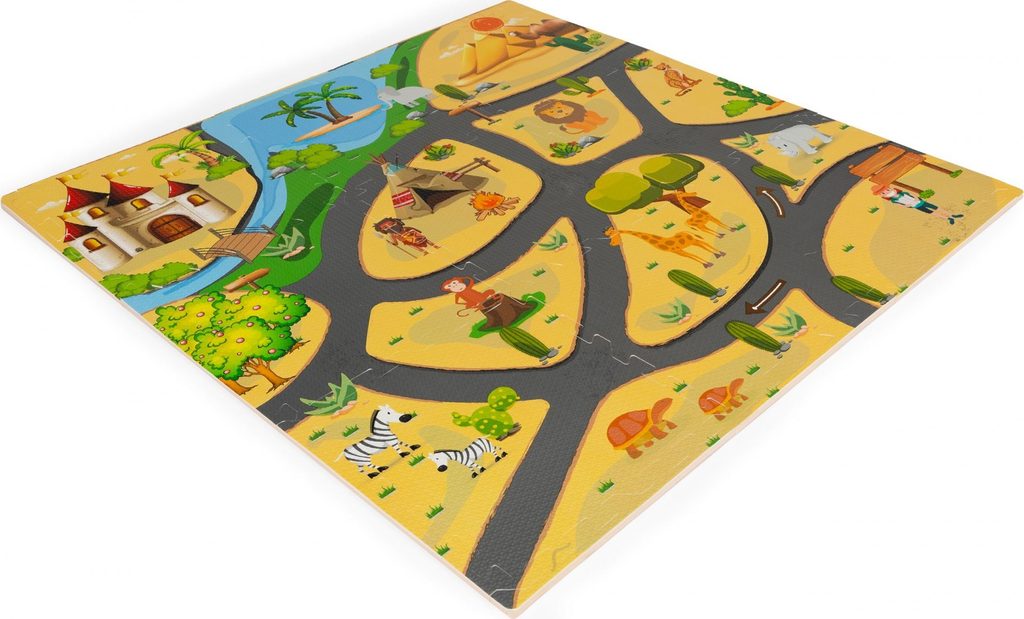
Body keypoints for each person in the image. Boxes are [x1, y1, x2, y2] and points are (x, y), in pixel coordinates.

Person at [873, 184, 963, 225]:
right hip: (916, 206)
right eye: (884, 193)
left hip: (920, 202)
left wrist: (916, 198)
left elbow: (912, 194)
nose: (887, 192)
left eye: (887, 190)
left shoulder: (903, 193)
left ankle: (952, 215)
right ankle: (948, 218)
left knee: (936, 208)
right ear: (882, 195)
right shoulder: (893, 200)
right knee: (931, 212)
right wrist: (905, 206)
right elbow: (899, 204)